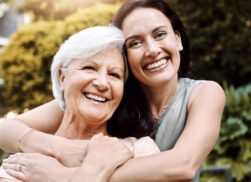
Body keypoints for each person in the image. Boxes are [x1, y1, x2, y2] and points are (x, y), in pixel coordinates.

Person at [0, 0, 225, 181]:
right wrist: (63, 148)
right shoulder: (109, 97)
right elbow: (5, 129)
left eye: (160, 34)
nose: (152, 49)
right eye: (135, 43)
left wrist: (66, 175)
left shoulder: (203, 94)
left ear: (178, 39)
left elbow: (182, 165)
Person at [0, 25, 160, 182]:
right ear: (63, 78)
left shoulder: (140, 151)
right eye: (89, 67)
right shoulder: (23, 165)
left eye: (114, 75)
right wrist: (95, 168)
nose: (102, 83)